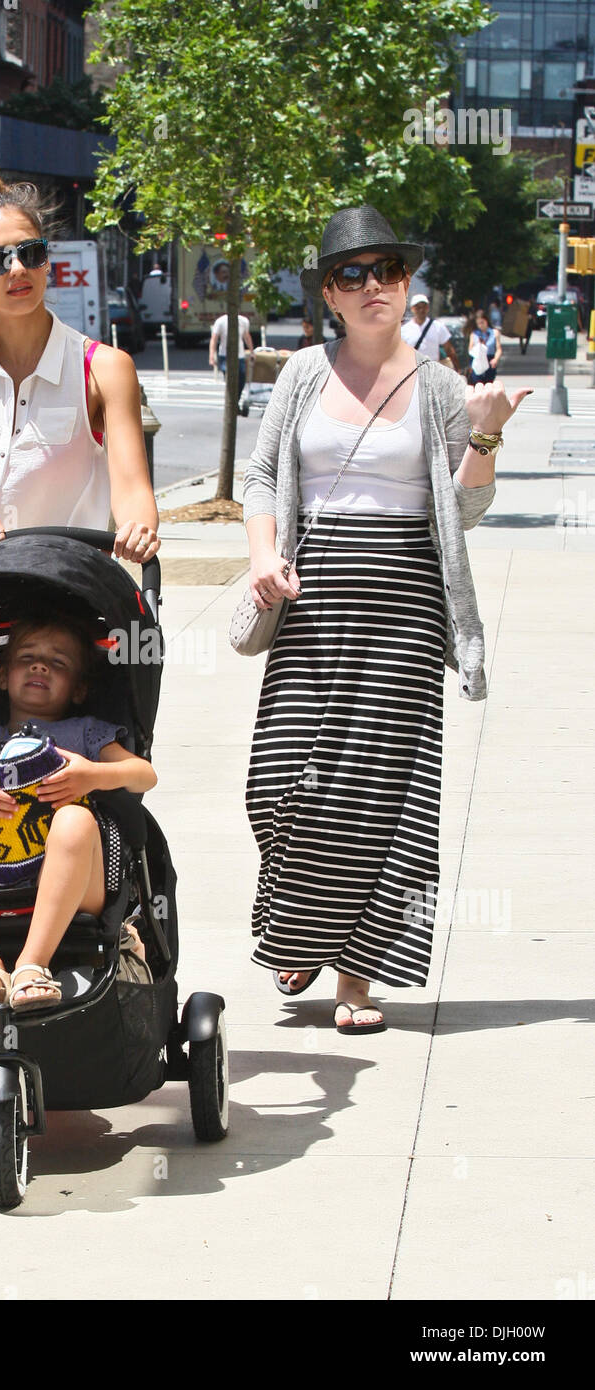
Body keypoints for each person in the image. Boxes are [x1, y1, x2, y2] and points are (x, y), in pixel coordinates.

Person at [243, 205, 530, 1033]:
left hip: (405, 600)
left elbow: (467, 506)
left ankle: (356, 978)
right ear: (330, 293)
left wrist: (488, 435)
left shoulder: (439, 385)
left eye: (389, 272)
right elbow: (262, 476)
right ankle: (303, 920)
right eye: (353, 275)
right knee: (276, 786)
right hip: (312, 594)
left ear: (410, 287)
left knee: (384, 796)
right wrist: (264, 554)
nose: (374, 287)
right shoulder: (301, 374)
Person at [0, 174, 159, 581]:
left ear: (47, 261)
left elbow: (131, 484)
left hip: (68, 586)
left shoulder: (105, 367)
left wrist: (139, 527)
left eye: (31, 252)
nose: (17, 268)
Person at [0, 613, 157, 1010]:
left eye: (59, 662)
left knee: (74, 819)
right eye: (27, 658)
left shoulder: (86, 733)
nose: (41, 665)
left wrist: (92, 775)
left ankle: (32, 964)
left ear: (78, 689)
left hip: (76, 887)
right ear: (3, 676)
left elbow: (144, 775)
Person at [401, 293, 461, 371]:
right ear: (412, 309)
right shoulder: (404, 330)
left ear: (428, 308)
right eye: (418, 307)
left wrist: (457, 368)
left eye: (424, 306)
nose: (421, 310)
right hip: (413, 371)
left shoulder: (438, 326)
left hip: (432, 371)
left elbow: (449, 349)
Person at [209, 309, 254, 397]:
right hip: (224, 355)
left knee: (242, 377)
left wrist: (252, 351)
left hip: (240, 355)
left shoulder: (243, 321)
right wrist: (211, 356)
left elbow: (246, 336)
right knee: (229, 378)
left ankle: (236, 399)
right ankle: (232, 400)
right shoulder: (220, 322)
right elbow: (214, 339)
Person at [469, 308, 502, 384]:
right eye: (478, 323)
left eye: (482, 322)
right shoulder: (474, 334)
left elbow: (498, 349)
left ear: (486, 321)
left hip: (489, 359)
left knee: (488, 383)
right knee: (477, 383)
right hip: (477, 360)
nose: (480, 325)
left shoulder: (494, 333)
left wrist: (495, 359)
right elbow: (470, 349)